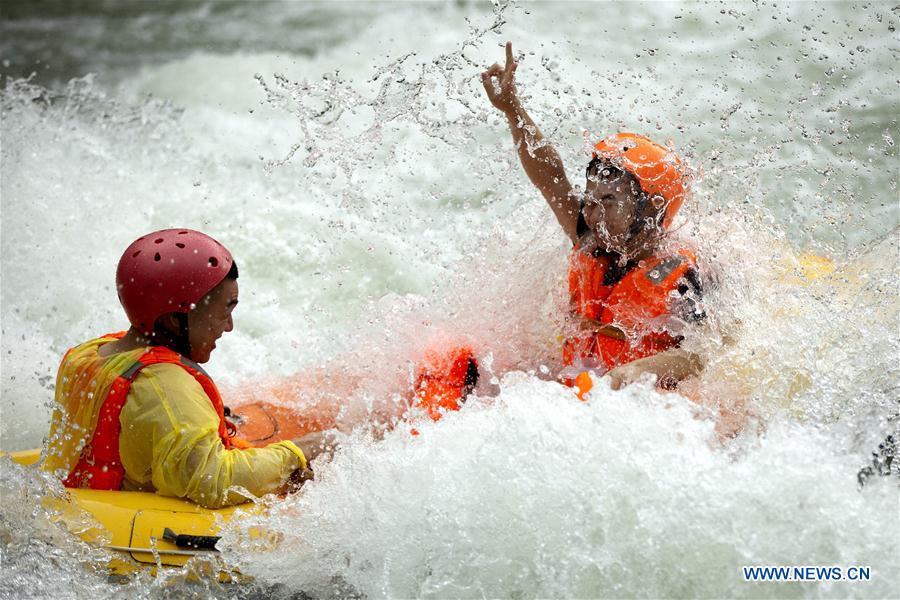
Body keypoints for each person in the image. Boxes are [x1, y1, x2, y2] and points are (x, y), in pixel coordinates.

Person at [42, 229, 334, 508]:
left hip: (90, 493)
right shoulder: (166, 387)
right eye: (224, 311)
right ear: (172, 321)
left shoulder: (90, 353)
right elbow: (215, 482)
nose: (229, 326)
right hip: (135, 532)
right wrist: (299, 452)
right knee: (319, 444)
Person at [481, 42, 706, 391]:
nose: (592, 212)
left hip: (635, 407)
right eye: (590, 198)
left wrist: (634, 373)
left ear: (652, 209)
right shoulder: (591, 236)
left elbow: (701, 354)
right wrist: (513, 110)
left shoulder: (683, 277)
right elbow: (550, 177)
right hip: (576, 392)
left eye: (609, 201)